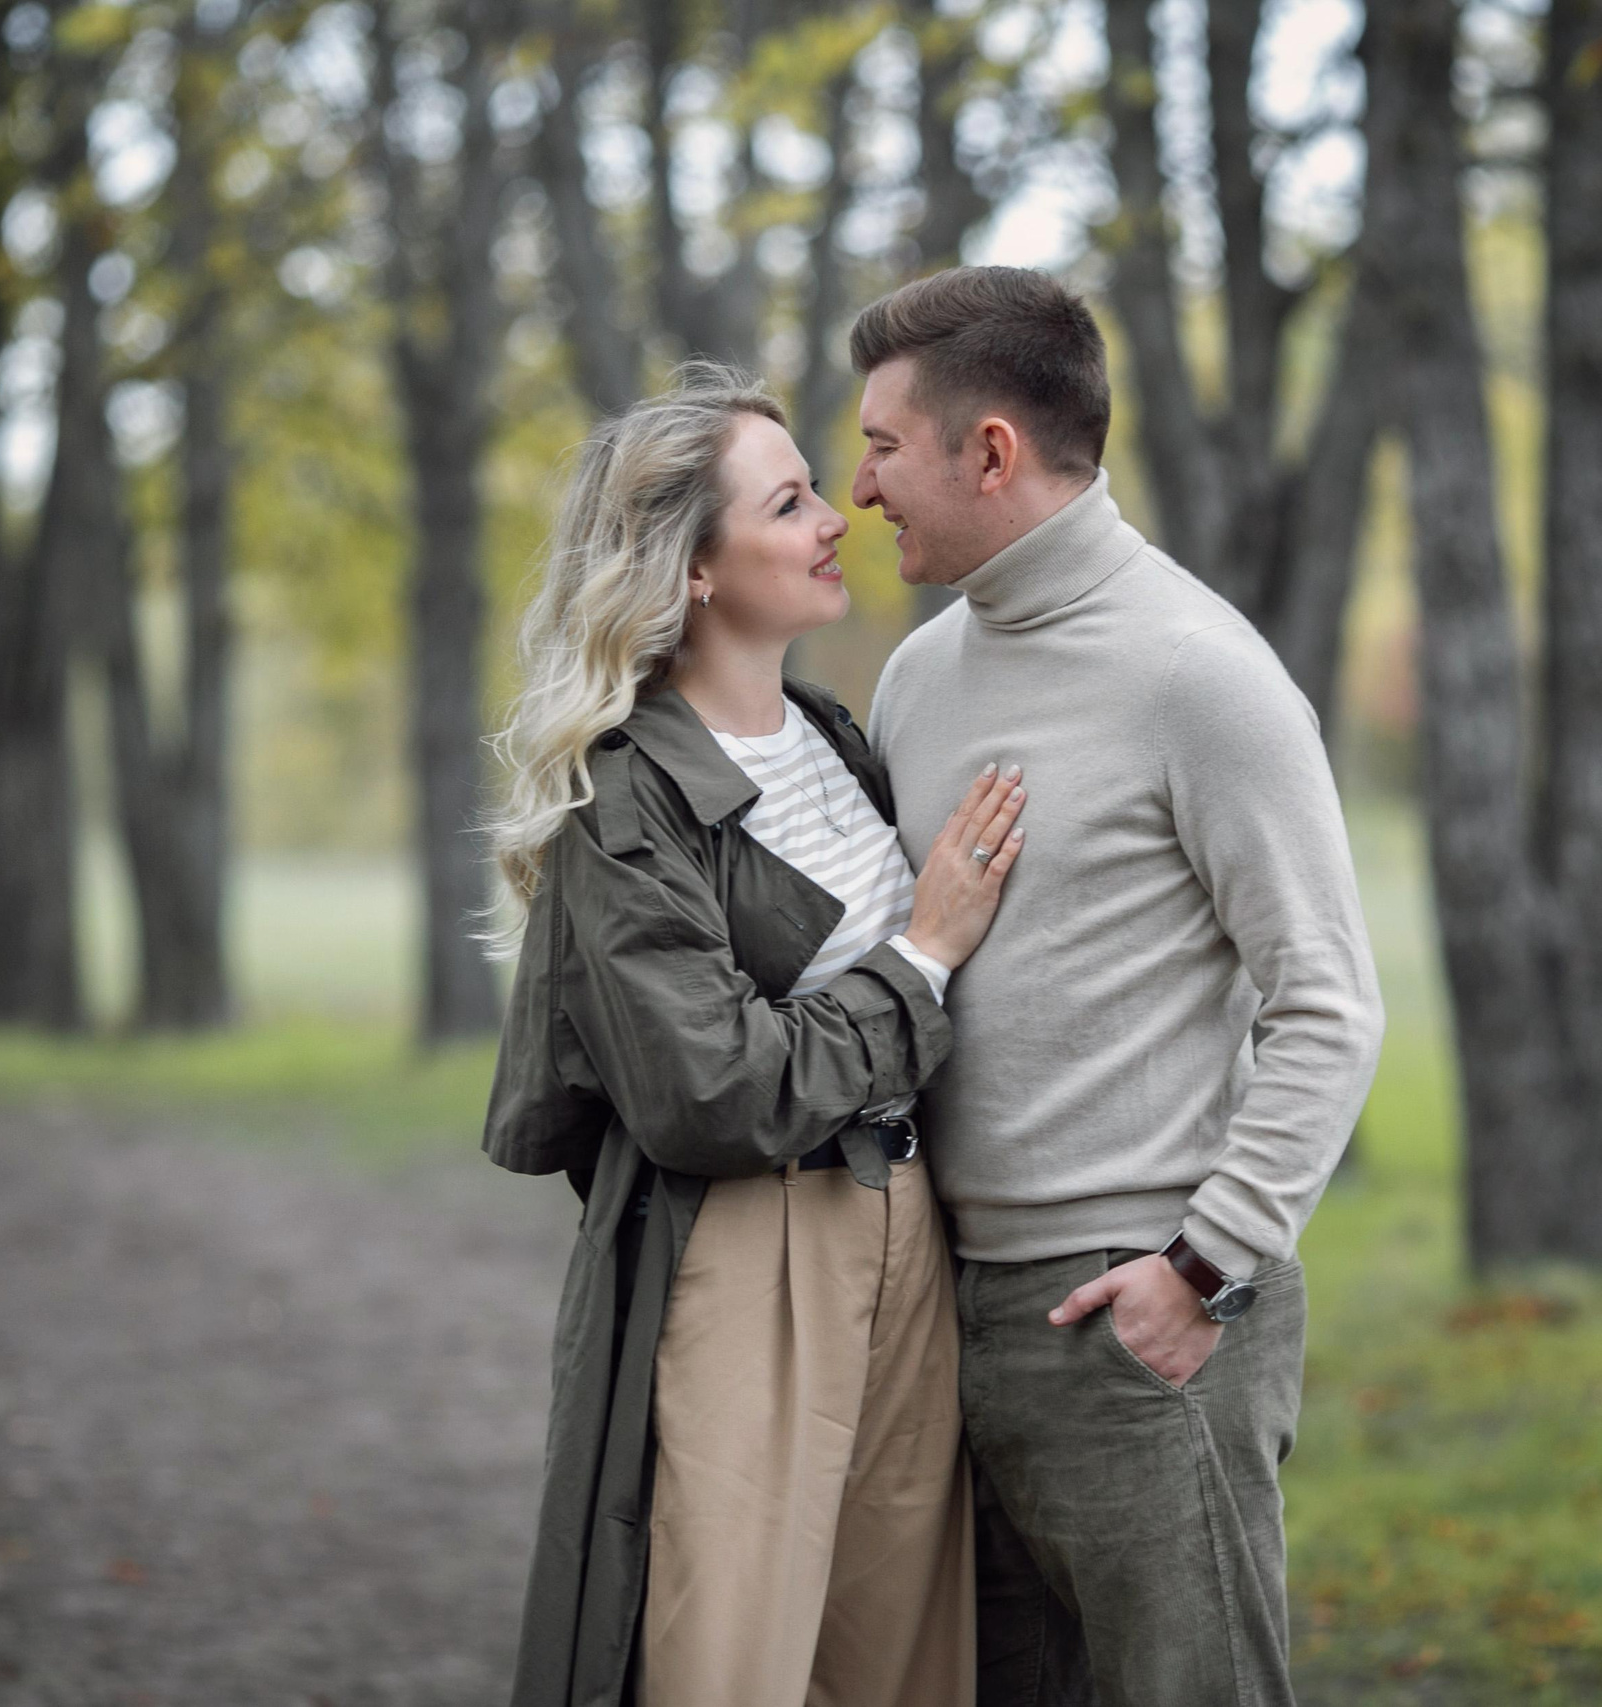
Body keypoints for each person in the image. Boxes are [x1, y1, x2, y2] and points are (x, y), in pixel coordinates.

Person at [851, 266, 1388, 1707]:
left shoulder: (1200, 674)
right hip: (947, 1314)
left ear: (990, 452)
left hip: (1141, 1316)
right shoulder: (916, 678)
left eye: (883, 446)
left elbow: (1329, 1003)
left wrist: (1207, 1268)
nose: (859, 486)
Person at [481, 361, 1028, 1707]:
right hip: (751, 1243)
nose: (838, 516)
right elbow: (712, 1088)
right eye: (788, 505)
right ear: (695, 569)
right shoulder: (624, 795)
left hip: (906, 1219)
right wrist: (924, 955)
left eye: (817, 489)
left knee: (899, 1657)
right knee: (731, 1660)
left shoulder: (833, 735)